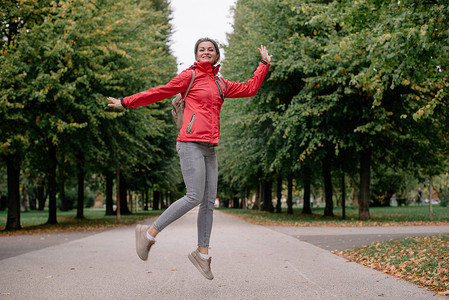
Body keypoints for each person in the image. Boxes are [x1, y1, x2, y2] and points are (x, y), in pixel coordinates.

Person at [107, 37, 272, 280]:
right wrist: (125, 102)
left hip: (209, 148)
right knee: (194, 196)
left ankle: (202, 254)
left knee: (208, 202)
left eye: (211, 50)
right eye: (202, 50)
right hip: (189, 143)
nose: (206, 52)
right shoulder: (189, 76)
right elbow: (159, 92)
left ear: (216, 55)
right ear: (196, 54)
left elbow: (250, 88)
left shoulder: (221, 83)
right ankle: (148, 233)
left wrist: (263, 64)